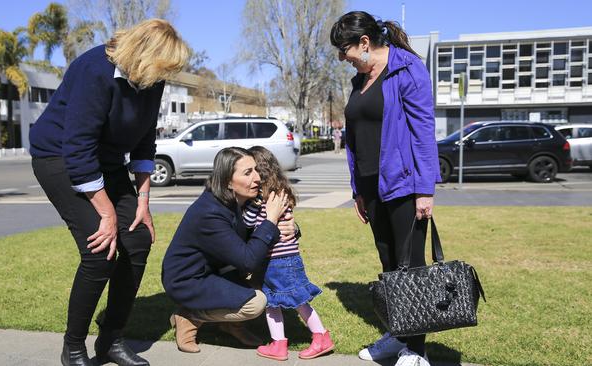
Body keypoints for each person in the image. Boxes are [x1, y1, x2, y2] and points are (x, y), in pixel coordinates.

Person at [29, 19, 189, 366]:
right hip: (60, 157)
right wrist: (105, 213)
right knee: (100, 250)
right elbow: (78, 149)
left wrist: (142, 201)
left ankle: (111, 340)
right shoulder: (94, 69)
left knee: (138, 239)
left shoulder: (152, 79)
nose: (165, 77)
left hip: (106, 160)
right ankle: (73, 347)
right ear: (144, 55)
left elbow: (146, 139)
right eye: (164, 68)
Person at [330, 11, 441, 366]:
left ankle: (417, 349)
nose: (341, 57)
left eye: (343, 49)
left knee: (410, 265)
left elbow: (423, 130)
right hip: (371, 185)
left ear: (364, 43)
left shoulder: (407, 69)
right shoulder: (357, 81)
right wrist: (357, 189)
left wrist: (425, 188)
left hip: (405, 184)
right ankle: (397, 334)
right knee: (389, 263)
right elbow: (355, 139)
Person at [161, 147, 295, 354]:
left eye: (256, 170)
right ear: (227, 181)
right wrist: (271, 220)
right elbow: (248, 259)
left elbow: (254, 240)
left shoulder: (241, 202)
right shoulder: (210, 213)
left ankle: (231, 323)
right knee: (256, 303)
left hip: (216, 269)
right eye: (247, 173)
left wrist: (290, 227)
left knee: (271, 274)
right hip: (187, 280)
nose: (258, 178)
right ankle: (189, 316)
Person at [246, 146, 334, 361]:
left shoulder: (267, 198)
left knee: (299, 301)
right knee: (273, 302)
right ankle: (279, 343)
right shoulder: (280, 191)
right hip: (276, 261)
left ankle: (321, 336)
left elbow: (250, 222)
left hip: (282, 261)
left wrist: (246, 206)